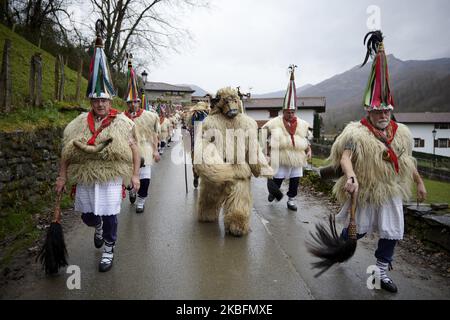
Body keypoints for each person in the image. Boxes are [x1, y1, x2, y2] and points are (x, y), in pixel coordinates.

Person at [329, 31, 427, 293]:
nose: (383, 114)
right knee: (357, 231)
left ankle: (382, 272)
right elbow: (345, 156)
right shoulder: (356, 133)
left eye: (386, 110)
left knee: (391, 231)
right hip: (366, 191)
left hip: (391, 190)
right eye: (378, 110)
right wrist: (350, 176)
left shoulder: (401, 132)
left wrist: (418, 182)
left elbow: (407, 160)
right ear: (368, 110)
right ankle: (340, 249)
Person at [55, 20, 141, 272]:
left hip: (111, 177)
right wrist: (62, 176)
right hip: (86, 177)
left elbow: (135, 149)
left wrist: (135, 175)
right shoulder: (78, 123)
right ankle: (98, 227)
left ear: (110, 99)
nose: (100, 103)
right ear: (91, 100)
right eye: (96, 99)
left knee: (111, 214)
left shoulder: (123, 123)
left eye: (104, 99)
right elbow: (67, 151)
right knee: (88, 216)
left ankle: (109, 248)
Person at [262, 65, 312, 211]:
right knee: (277, 179)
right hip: (281, 156)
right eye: (288, 112)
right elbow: (263, 135)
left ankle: (291, 200)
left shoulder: (303, 124)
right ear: (283, 111)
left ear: (295, 110)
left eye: (292, 111)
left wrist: (309, 150)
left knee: (295, 181)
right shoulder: (274, 122)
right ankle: (273, 192)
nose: (290, 114)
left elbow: (306, 139)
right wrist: (266, 153)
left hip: (297, 157)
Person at [123, 55, 160, 213]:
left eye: (136, 101)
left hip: (144, 148)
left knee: (145, 180)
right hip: (126, 150)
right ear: (127, 103)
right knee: (128, 178)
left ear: (139, 102)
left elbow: (154, 134)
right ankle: (131, 190)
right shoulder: (121, 117)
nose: (133, 104)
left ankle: (141, 200)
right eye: (130, 102)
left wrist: (156, 150)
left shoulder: (150, 116)